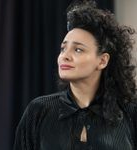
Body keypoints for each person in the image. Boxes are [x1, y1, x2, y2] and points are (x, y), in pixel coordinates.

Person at [13, 0, 137, 149]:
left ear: (102, 61)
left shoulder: (131, 113)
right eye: (63, 48)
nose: (64, 56)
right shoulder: (38, 111)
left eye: (78, 49)